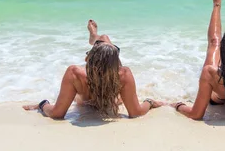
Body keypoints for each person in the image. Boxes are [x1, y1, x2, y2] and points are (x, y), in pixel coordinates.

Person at [23, 19, 162, 119]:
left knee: (105, 43)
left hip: (98, 68)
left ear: (88, 58)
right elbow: (136, 112)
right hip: (110, 68)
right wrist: (149, 102)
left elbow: (56, 113)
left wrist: (42, 104)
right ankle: (95, 37)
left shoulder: (75, 73)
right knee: (107, 46)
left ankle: (95, 38)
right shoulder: (123, 73)